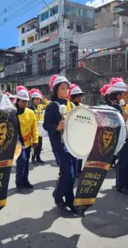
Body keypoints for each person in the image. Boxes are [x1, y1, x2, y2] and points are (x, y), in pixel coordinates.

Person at [43, 75, 78, 214]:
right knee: (67, 174)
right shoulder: (52, 106)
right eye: (62, 88)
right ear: (56, 90)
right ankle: (58, 196)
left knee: (73, 174)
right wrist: (56, 127)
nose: (66, 90)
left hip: (73, 144)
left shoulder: (72, 105)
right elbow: (46, 125)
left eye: (67, 88)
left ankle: (70, 201)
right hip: (59, 145)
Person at [15, 86, 39, 190]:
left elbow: (34, 127)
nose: (25, 103)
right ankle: (19, 182)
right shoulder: (12, 112)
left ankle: (25, 180)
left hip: (28, 142)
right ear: (18, 100)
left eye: (26, 101)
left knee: (26, 162)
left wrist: (36, 139)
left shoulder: (30, 112)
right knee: (22, 161)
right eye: (23, 101)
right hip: (17, 143)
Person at [29, 88, 48, 164]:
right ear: (33, 100)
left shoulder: (40, 106)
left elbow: (47, 104)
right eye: (36, 99)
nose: (37, 100)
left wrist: (44, 98)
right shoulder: (31, 107)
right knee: (34, 144)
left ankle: (38, 157)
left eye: (39, 99)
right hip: (34, 128)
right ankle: (33, 158)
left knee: (40, 144)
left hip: (40, 128)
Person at [69, 84, 84, 178]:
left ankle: (78, 170)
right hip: (72, 132)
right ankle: (73, 170)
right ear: (73, 97)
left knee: (80, 153)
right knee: (72, 154)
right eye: (78, 96)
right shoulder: (69, 105)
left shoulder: (82, 106)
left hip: (80, 132)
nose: (80, 98)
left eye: (80, 96)